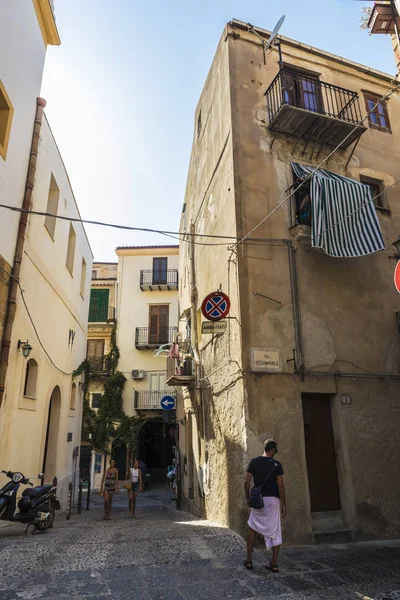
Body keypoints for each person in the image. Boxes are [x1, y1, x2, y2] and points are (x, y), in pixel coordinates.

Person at [244, 439, 286, 573]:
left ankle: (249, 560)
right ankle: (274, 563)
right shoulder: (277, 465)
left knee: (252, 528)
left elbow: (247, 481)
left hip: (258, 500)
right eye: (275, 451)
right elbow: (280, 485)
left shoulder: (254, 462)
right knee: (275, 530)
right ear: (272, 450)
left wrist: (248, 497)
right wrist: (284, 503)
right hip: (273, 500)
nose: (275, 453)